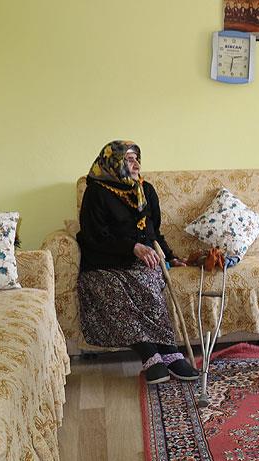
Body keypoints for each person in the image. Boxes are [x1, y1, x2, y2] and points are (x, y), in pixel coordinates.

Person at [76, 140, 198, 384]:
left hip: (140, 261)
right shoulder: (96, 192)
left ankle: (169, 352)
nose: (136, 164)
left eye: (137, 158)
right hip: (104, 261)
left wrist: (170, 255)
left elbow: (153, 231)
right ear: (114, 162)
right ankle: (151, 355)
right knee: (110, 288)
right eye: (129, 159)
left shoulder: (146, 190)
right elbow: (94, 236)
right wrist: (132, 247)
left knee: (148, 280)